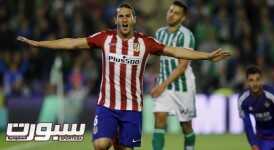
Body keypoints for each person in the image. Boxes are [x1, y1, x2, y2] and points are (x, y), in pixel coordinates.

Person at [17, 3, 230, 150]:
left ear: (134, 19)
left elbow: (177, 51)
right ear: (116, 19)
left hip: (132, 108)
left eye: (128, 16)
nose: (124, 19)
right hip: (107, 105)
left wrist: (207, 56)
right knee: (100, 144)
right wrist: (39, 43)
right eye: (121, 16)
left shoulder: (146, 43)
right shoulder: (104, 38)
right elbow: (72, 42)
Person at [150, 1, 196, 150]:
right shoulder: (159, 33)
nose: (171, 14)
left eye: (176, 13)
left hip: (183, 86)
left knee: (186, 126)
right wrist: (158, 81)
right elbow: (160, 59)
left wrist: (162, 85)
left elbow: (183, 66)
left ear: (183, 18)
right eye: (170, 11)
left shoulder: (186, 36)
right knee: (159, 117)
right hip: (164, 84)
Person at [238, 66, 274, 150]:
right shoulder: (243, 100)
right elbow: (247, 125)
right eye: (251, 80)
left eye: (257, 79)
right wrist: (253, 144)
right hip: (262, 140)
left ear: (262, 80)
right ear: (247, 82)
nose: (255, 84)